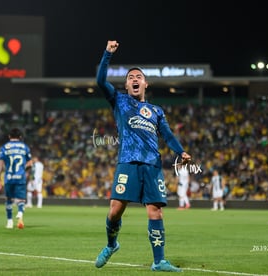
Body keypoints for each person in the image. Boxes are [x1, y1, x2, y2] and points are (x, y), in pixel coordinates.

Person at [94, 40, 191, 272]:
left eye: (138, 77)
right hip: (128, 161)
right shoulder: (119, 101)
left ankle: (159, 261)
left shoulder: (157, 111)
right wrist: (107, 54)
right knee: (116, 209)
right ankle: (111, 244)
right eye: (130, 78)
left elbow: (167, 135)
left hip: (152, 164)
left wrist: (181, 151)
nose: (134, 79)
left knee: (155, 211)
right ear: (126, 86)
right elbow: (99, 81)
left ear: (146, 83)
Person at [0, 128, 32, 229]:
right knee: (21, 200)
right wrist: (23, 169)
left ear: (9, 136)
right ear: (20, 137)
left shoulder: (5, 147)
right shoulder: (25, 147)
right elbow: (30, 163)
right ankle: (20, 212)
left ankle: (9, 222)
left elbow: (0, 163)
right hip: (20, 176)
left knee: (8, 200)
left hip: (9, 177)